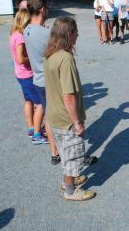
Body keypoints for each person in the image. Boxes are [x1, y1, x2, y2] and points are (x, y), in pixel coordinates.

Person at [44, 17, 95, 201]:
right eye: (76, 32)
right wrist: (77, 122)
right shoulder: (65, 58)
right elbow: (68, 95)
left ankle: (69, 180)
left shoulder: (50, 53)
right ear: (69, 34)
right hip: (66, 119)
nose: (78, 35)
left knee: (66, 153)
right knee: (73, 155)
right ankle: (70, 189)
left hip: (54, 115)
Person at [24, 0, 60, 164]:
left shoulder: (26, 29)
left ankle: (54, 153)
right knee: (62, 118)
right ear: (42, 10)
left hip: (38, 80)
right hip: (51, 81)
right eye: (46, 8)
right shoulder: (48, 33)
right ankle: (70, 152)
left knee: (49, 117)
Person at [10, 10, 46, 148]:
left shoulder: (13, 34)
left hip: (20, 74)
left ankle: (32, 128)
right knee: (41, 103)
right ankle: (37, 134)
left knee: (28, 101)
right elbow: (20, 59)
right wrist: (32, 57)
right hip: (26, 74)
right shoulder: (20, 37)